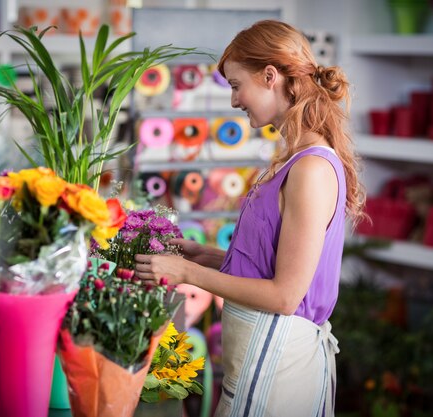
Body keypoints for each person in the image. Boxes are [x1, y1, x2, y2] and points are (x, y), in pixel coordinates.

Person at [135, 19, 365, 417]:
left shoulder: (310, 169)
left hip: (278, 366)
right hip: (262, 359)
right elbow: (267, 264)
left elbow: (285, 295)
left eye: (237, 85)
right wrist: (201, 254)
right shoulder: (292, 160)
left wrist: (186, 274)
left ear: (270, 76)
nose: (234, 101)